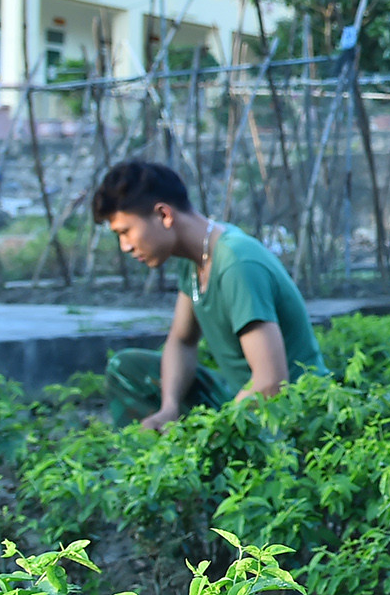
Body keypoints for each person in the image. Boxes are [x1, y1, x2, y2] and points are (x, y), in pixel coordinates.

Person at [92, 159, 328, 429]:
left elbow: (271, 382)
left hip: (293, 414)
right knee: (126, 368)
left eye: (126, 232)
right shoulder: (195, 258)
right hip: (240, 398)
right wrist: (169, 408)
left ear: (164, 215)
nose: (125, 246)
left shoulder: (236, 263)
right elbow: (182, 341)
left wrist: (209, 435)